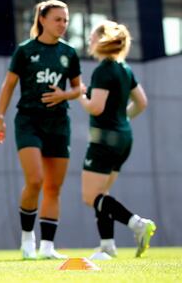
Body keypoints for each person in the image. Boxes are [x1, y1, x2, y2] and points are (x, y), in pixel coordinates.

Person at [0, 0, 82, 260]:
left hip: (59, 124)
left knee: (54, 187)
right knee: (35, 180)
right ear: (42, 19)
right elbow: (8, 86)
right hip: (29, 121)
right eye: (58, 19)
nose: (63, 24)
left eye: (65, 20)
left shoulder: (69, 53)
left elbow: (79, 88)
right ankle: (27, 240)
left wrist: (65, 95)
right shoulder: (25, 50)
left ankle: (48, 247)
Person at [77, 21, 155, 259]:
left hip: (104, 139)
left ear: (102, 40)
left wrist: (80, 93)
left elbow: (95, 108)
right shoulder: (124, 68)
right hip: (123, 137)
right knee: (103, 193)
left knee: (91, 196)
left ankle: (137, 224)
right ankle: (107, 246)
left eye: (92, 36)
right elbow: (142, 102)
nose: (89, 40)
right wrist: (123, 119)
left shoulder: (103, 70)